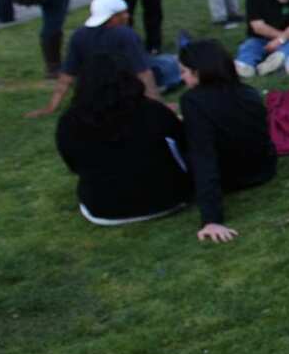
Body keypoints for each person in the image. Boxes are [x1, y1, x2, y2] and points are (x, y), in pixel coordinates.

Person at [56, 53, 192, 226]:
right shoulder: (153, 110)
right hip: (171, 198)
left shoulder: (69, 122)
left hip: (104, 209)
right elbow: (184, 146)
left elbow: (73, 165)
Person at [178, 39, 279, 243]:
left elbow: (203, 156)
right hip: (263, 169)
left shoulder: (192, 101)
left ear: (197, 72)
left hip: (232, 177)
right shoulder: (248, 92)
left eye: (184, 72)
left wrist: (211, 218)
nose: (182, 78)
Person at [26, 0, 173, 117]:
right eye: (123, 13)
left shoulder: (79, 35)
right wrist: (158, 106)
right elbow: (144, 74)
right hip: (126, 89)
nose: (127, 16)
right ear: (111, 18)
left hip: (93, 91)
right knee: (169, 63)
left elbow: (67, 76)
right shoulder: (126, 34)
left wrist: (51, 106)